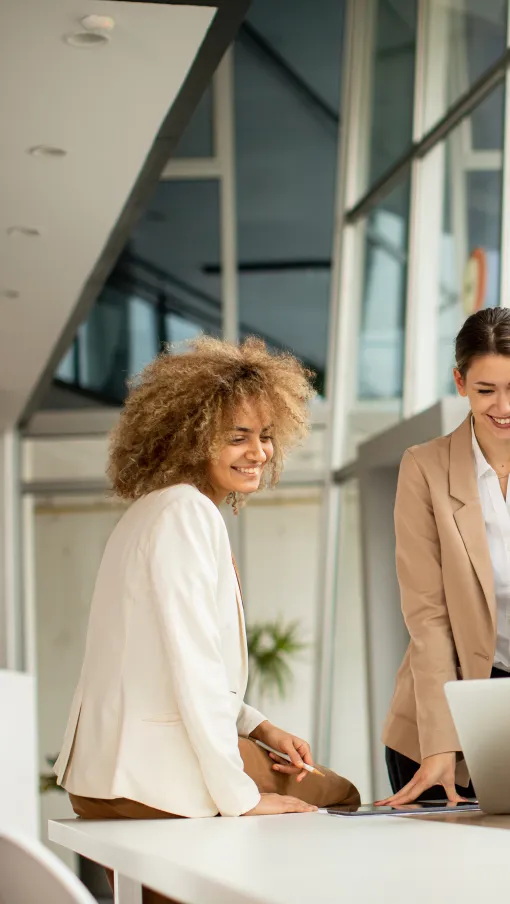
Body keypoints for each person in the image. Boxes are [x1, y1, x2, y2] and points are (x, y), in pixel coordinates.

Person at [54, 337, 359, 903]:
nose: (258, 452)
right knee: (338, 794)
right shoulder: (187, 514)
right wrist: (242, 798)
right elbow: (193, 668)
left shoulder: (155, 510)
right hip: (150, 775)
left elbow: (168, 659)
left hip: (106, 774)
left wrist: (258, 726)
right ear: (190, 436)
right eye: (237, 436)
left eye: (265, 436)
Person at [380, 307, 510, 807]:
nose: (503, 406)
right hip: (443, 721)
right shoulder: (425, 469)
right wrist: (441, 744)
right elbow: (428, 618)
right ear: (459, 382)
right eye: (485, 390)